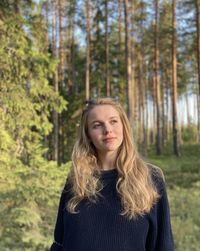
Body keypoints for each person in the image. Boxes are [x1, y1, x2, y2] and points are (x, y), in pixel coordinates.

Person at [49, 97, 174, 251]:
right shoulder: (76, 180)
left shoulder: (150, 179)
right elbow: (59, 243)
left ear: (124, 127)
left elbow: (163, 245)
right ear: (88, 134)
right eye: (97, 125)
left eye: (113, 121)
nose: (107, 130)